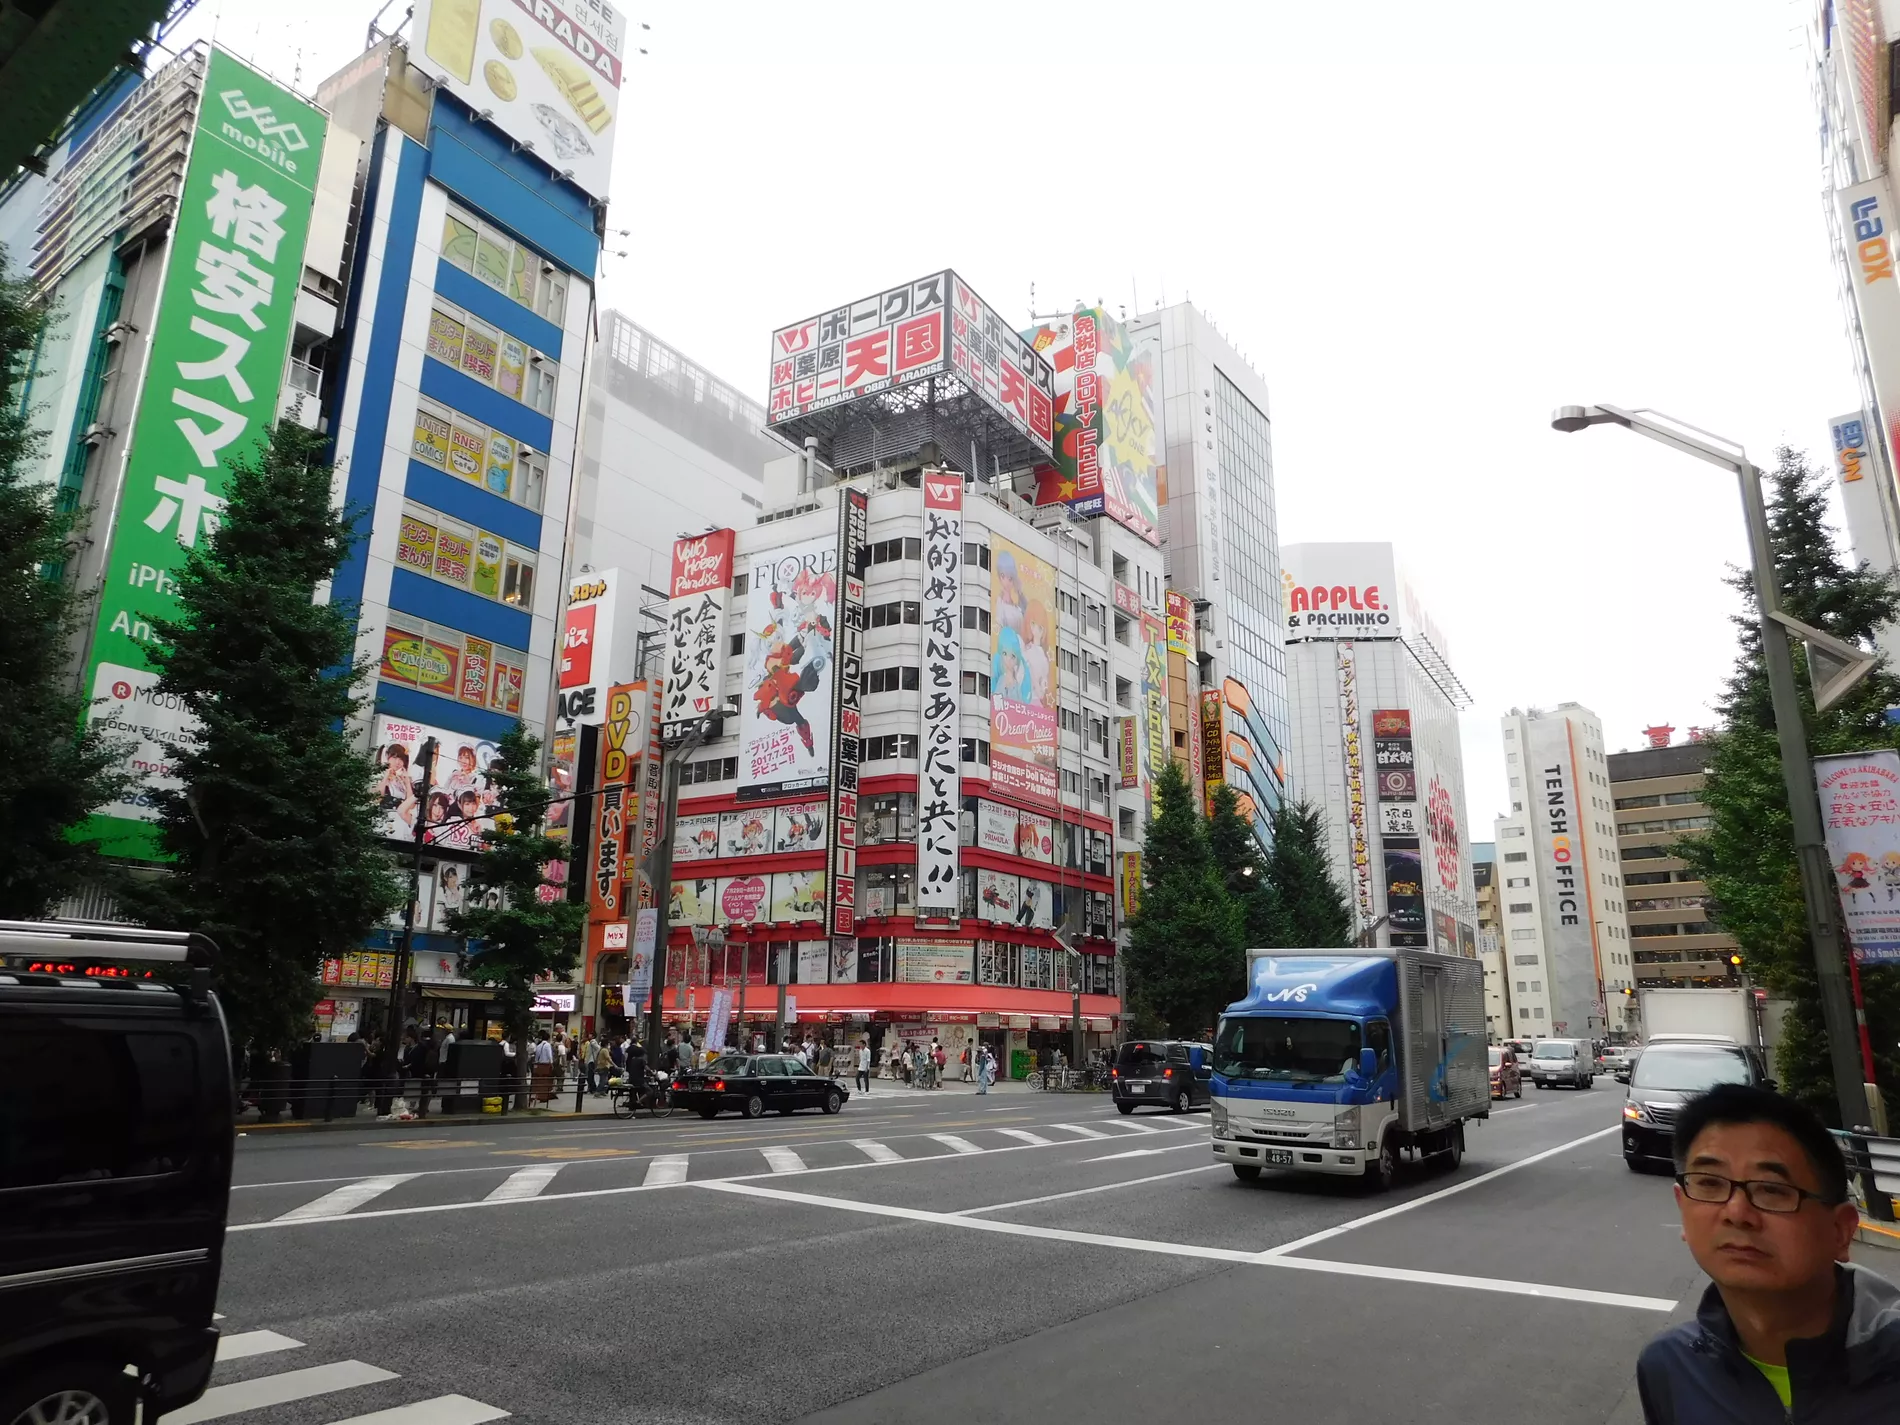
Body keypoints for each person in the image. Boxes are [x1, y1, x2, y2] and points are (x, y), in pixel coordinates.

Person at [1637, 1084, 1897, 1422]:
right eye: (1709, 1183)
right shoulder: (1669, 1369)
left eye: (1772, 1190)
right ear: (1681, 1205)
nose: (1736, 1212)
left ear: (1840, 1230)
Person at [530, 1030, 555, 1106]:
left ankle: (537, 1095)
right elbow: (549, 1055)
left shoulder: (538, 1045)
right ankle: (544, 1096)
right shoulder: (547, 1045)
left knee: (539, 1080)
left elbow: (536, 1056)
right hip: (546, 1065)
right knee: (545, 1080)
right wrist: (551, 1063)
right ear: (548, 1038)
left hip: (539, 1065)